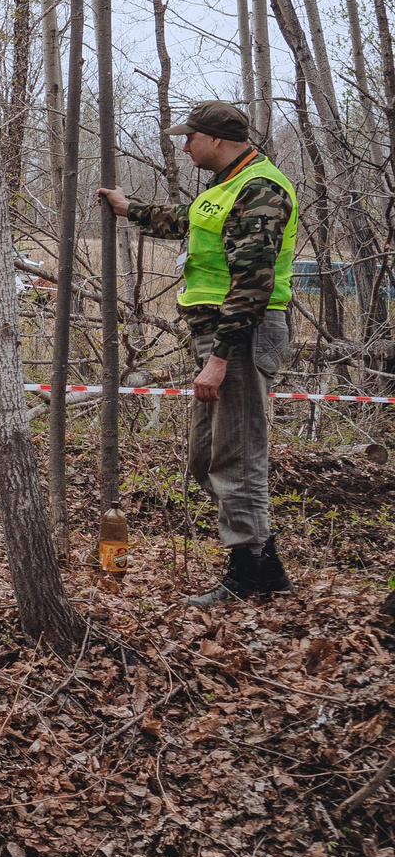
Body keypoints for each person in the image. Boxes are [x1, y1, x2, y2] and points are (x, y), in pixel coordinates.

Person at [98, 100, 300, 605]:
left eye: (190, 137)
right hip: (218, 334)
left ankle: (249, 576)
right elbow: (190, 222)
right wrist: (131, 209)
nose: (184, 145)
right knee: (206, 458)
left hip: (242, 334)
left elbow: (252, 283)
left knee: (237, 458)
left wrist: (221, 357)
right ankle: (265, 564)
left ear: (217, 139)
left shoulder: (260, 188)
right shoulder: (227, 184)